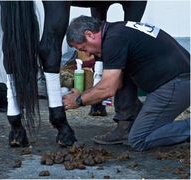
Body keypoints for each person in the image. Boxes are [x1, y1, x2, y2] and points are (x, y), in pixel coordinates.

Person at [62, 15, 190, 151]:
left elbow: (108, 88)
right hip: (178, 79)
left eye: (83, 49)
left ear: (89, 34)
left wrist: (78, 100)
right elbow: (116, 83)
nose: (87, 54)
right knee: (121, 76)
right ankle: (126, 126)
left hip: (177, 84)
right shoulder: (117, 31)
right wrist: (84, 94)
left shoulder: (114, 40)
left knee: (139, 139)